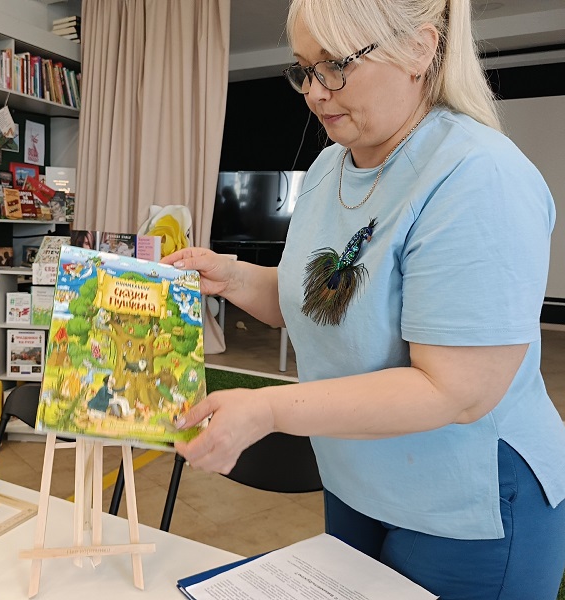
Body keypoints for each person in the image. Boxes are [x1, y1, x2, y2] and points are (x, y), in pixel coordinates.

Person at [162, 0, 565, 597]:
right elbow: (320, 303)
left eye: (336, 65)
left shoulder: (478, 175)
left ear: (420, 49)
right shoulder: (330, 167)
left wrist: (268, 409)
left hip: (468, 503)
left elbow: (454, 389)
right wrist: (234, 277)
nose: (315, 92)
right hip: (356, 477)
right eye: (304, 69)